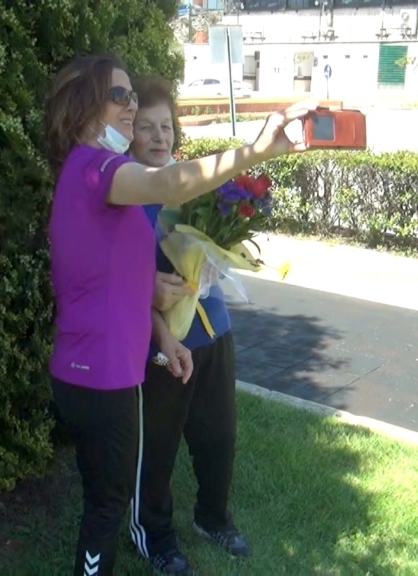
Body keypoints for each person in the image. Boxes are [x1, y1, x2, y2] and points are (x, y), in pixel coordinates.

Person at [45, 53, 316, 576]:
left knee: (107, 500)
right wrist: (257, 149)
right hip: (97, 374)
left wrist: (164, 338)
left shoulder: (101, 176)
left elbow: (118, 282)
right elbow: (171, 183)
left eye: (132, 95)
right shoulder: (96, 169)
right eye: (119, 96)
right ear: (85, 105)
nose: (130, 106)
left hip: (107, 369)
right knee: (106, 507)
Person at [125, 75, 247, 575]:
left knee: (219, 436)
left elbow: (216, 240)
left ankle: (212, 517)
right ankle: (154, 536)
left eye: (166, 126)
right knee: (156, 448)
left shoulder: (193, 186)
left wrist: (216, 260)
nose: (159, 137)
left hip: (213, 329)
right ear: (129, 133)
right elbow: (119, 281)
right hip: (159, 341)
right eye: (146, 127)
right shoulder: (126, 193)